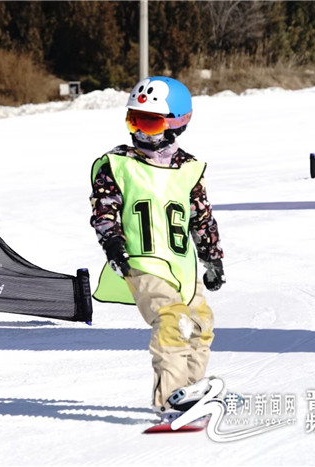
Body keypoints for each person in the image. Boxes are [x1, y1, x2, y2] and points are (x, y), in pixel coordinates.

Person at [89, 76, 225, 421]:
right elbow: (104, 212)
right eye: (133, 120)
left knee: (200, 324)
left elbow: (202, 218)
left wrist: (212, 258)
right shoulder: (117, 165)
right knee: (173, 320)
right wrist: (115, 247)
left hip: (183, 267)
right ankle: (171, 400)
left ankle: (192, 391)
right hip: (142, 263)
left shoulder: (190, 169)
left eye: (149, 123)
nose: (139, 132)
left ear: (177, 124)